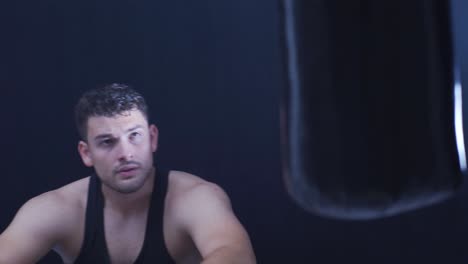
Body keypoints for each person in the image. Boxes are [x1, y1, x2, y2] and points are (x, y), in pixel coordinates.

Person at [0, 84, 256, 264]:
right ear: (86, 153)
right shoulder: (57, 209)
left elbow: (237, 255)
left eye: (134, 136)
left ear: (152, 138)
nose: (125, 153)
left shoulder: (195, 198)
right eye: (107, 142)